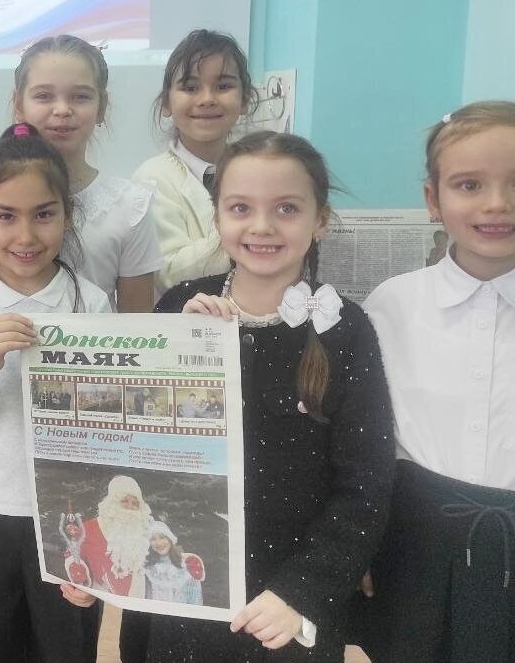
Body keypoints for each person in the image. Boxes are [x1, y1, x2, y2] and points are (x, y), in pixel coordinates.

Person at [71, 131, 396, 662]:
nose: (262, 226)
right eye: (241, 208)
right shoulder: (180, 305)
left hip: (283, 603)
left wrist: (302, 591)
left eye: (286, 208)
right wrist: (97, 564)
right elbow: (131, 453)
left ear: (320, 220)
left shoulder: (345, 328)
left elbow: (366, 484)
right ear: (217, 216)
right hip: (176, 591)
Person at [0, 123, 109, 662]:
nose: (26, 236)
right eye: (6, 216)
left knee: (66, 647)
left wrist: (97, 540)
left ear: (67, 214)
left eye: (44, 214)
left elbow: (108, 432)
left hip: (68, 515)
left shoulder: (90, 303)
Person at [359, 101, 515, 662]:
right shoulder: (392, 304)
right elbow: (369, 441)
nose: (497, 204)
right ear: (433, 199)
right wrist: (360, 548)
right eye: (469, 185)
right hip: (415, 544)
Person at [0, 35, 163, 312]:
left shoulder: (129, 208)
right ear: (18, 105)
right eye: (44, 96)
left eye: (80, 96)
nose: (62, 110)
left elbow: (138, 324)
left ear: (101, 106)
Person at [133, 30, 257, 291]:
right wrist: (245, 231)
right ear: (166, 102)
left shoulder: (260, 172)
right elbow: (168, 274)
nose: (207, 99)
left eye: (223, 86)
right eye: (190, 88)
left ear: (245, 99)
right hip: (186, 313)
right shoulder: (151, 179)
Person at [79, 475, 153, 597]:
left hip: (138, 599)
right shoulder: (90, 528)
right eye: (125, 501)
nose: (130, 507)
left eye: (135, 503)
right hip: (102, 598)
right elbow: (74, 556)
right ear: (113, 503)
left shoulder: (143, 534)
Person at [142, 521, 204, 605]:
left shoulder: (188, 565)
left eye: (162, 537)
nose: (158, 543)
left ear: (170, 539)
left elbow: (195, 600)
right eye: (153, 539)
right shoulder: (148, 569)